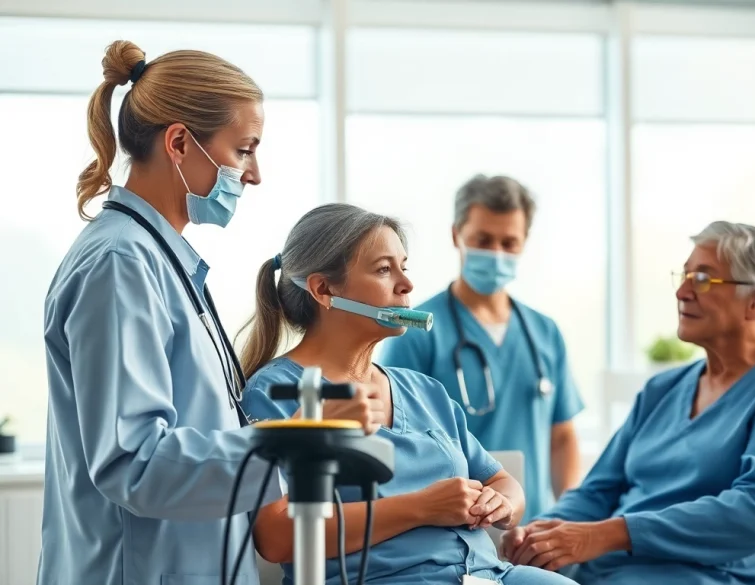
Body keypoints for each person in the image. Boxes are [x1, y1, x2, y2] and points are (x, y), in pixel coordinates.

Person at [37, 41, 374, 585]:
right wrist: (301, 438)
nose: (254, 174)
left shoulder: (159, 259)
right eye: (244, 150)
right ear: (178, 143)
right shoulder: (120, 264)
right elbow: (135, 462)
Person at [238, 203, 579, 585]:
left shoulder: (424, 390)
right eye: (384, 269)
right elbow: (277, 536)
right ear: (324, 289)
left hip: (489, 575)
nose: (407, 284)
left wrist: (501, 503)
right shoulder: (275, 394)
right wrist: (421, 507)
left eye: (404, 267)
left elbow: (501, 481)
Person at [500, 221, 755, 585]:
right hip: (615, 572)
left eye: (703, 279)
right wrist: (540, 532)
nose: (682, 292)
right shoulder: (662, 389)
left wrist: (608, 535)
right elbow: (597, 491)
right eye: (684, 276)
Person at [377, 174, 585, 522]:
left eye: (509, 242)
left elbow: (562, 437)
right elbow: (396, 442)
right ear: (456, 234)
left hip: (532, 527)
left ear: (524, 242)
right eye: (483, 240)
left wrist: (566, 516)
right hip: (456, 528)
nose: (496, 254)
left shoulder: (544, 332)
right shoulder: (417, 332)